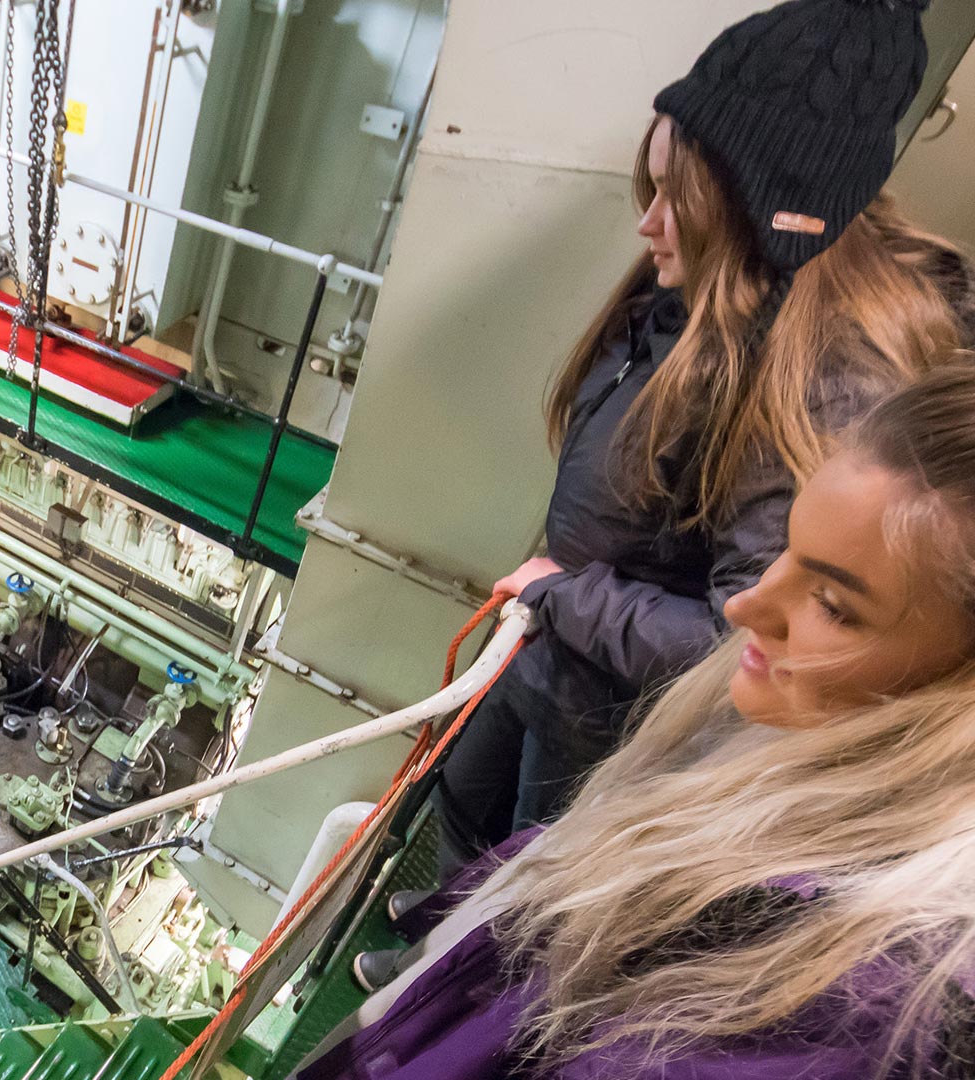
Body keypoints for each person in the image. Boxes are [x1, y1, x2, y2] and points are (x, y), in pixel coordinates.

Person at [426, 0, 975, 914]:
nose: (649, 227)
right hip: (556, 638)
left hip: (604, 699)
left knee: (528, 879)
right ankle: (437, 919)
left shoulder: (825, 382)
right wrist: (558, 599)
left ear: (766, 212)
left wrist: (567, 598)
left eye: (680, 199)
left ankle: (451, 949)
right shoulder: (717, 284)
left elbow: (747, 639)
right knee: (462, 804)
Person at [303, 361, 975, 1079]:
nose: (748, 607)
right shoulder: (794, 745)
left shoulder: (855, 1002)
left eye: (834, 606)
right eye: (786, 548)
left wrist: (569, 599)